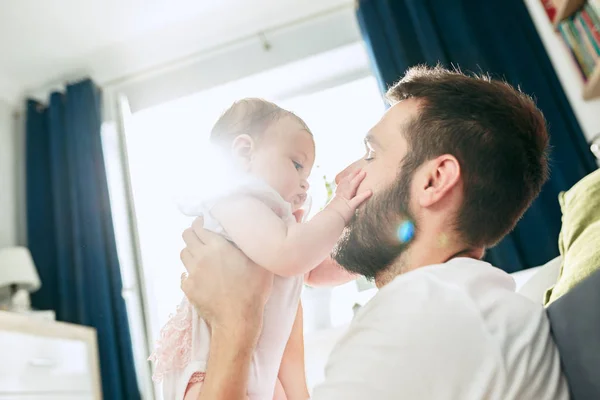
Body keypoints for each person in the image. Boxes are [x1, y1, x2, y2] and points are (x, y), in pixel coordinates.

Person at [179, 66, 570, 399]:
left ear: (434, 180)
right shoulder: (461, 302)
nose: (339, 177)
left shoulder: (420, 318)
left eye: (371, 154)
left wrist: (236, 325)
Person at [150, 98, 368, 400]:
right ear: (244, 153)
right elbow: (290, 254)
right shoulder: (234, 201)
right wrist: (340, 207)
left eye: (306, 175)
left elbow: (314, 269)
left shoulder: (274, 223)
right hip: (208, 364)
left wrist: (374, 254)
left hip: (257, 363)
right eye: (296, 164)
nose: (305, 184)